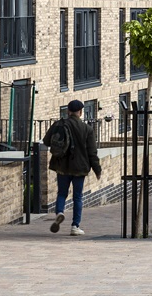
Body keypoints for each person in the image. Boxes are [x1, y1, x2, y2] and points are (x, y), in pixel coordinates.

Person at [43, 99, 101, 236]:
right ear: (80, 112)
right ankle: (75, 226)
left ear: (68, 111)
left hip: (62, 165)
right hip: (79, 167)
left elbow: (46, 141)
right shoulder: (87, 129)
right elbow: (92, 152)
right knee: (77, 197)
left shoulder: (58, 125)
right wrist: (97, 169)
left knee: (62, 193)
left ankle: (60, 212)